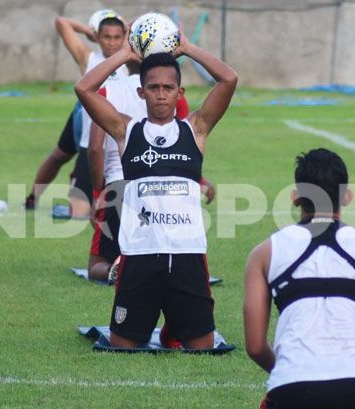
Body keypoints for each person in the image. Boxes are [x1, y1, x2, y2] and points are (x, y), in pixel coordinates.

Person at [75, 29, 237, 349]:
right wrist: (124, 54)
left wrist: (188, 49)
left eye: (168, 88)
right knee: (122, 346)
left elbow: (229, 80)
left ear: (180, 92)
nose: (161, 94)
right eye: (153, 88)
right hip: (138, 257)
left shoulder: (196, 129)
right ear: (141, 93)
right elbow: (84, 87)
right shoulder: (126, 130)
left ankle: (173, 328)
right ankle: (168, 325)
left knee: (202, 348)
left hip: (188, 256)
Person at [243, 148, 355, 409]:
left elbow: (255, 346)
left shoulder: (263, 253)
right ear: (347, 197)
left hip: (289, 387)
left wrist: (294, 369)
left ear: (295, 197)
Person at [86, 71, 216, 281]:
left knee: (97, 264)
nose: (161, 95)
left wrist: (96, 192)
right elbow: (183, 150)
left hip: (119, 186)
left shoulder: (108, 91)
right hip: (167, 186)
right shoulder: (174, 91)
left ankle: (119, 267)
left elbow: (94, 148)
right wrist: (199, 181)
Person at [24, 10, 128, 219]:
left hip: (119, 142)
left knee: (119, 209)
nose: (112, 42)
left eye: (118, 37)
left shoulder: (132, 61)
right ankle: (34, 198)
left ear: (125, 37)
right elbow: (62, 22)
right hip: (90, 140)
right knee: (78, 213)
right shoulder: (88, 59)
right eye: (106, 37)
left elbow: (141, 26)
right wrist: (89, 31)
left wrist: (124, 24)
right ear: (98, 37)